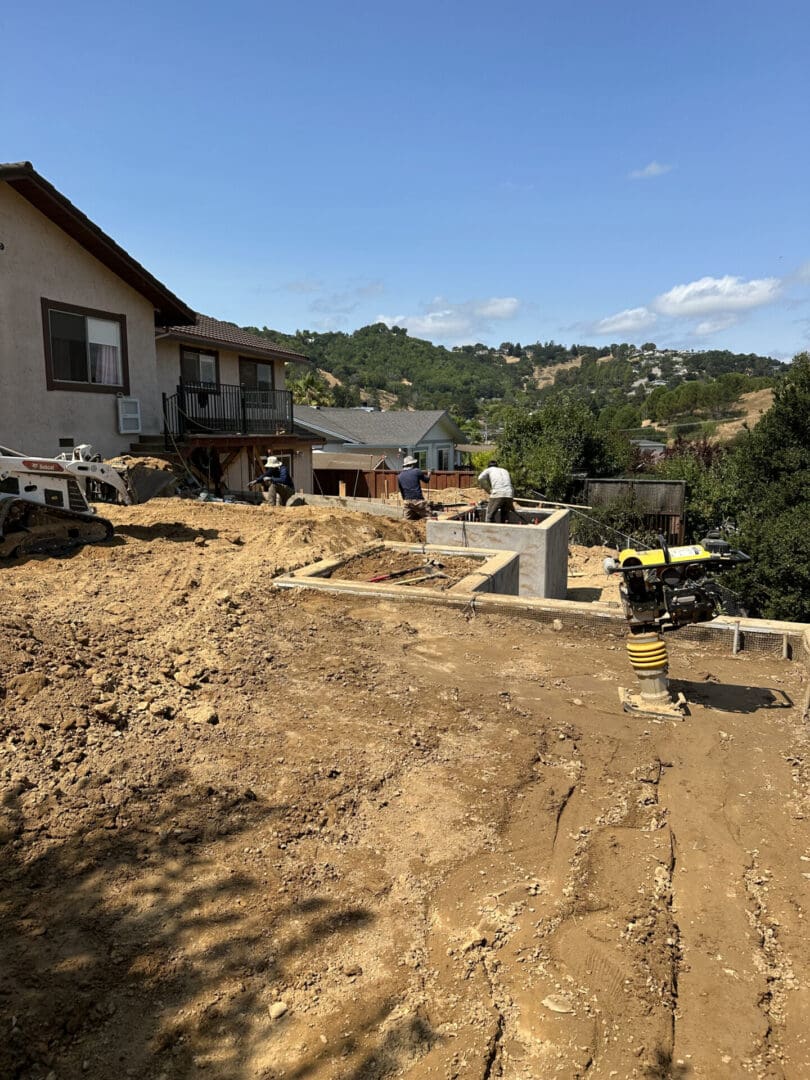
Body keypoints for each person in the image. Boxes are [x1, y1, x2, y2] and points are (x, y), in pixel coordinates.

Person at [397, 455, 431, 519]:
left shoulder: (399, 476)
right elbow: (426, 480)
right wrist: (429, 474)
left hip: (407, 502)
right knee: (429, 518)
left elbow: (401, 490)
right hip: (418, 500)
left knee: (406, 521)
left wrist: (406, 500)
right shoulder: (416, 471)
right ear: (412, 464)